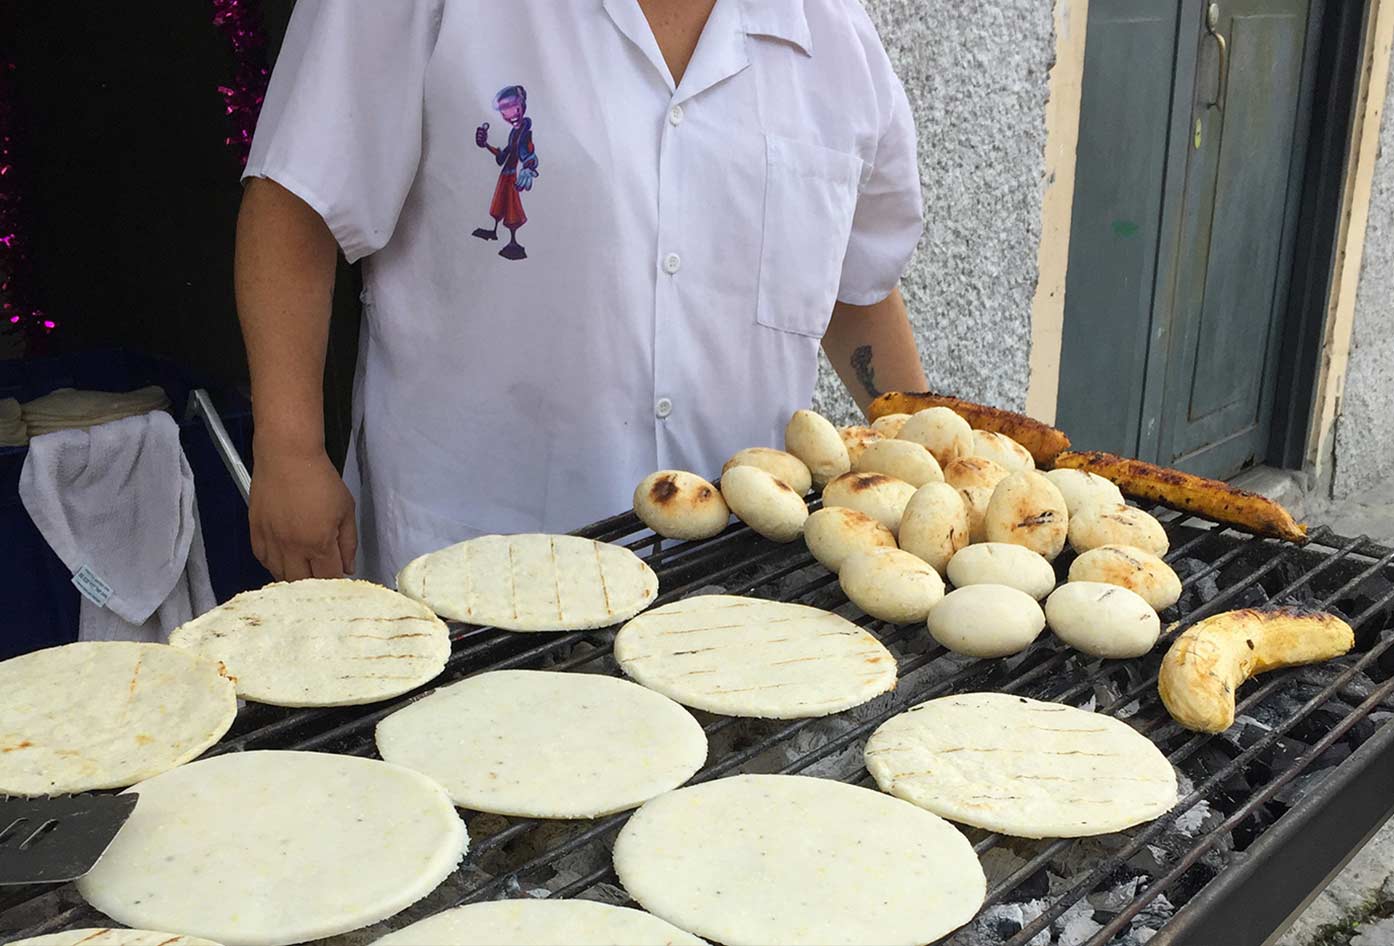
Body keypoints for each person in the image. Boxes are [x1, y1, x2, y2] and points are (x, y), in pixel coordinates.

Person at [236, 0, 930, 585]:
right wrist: (290, 450)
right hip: (479, 559)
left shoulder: (836, 38)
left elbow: (857, 286)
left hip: (731, 581)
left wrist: (933, 463)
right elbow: (298, 204)